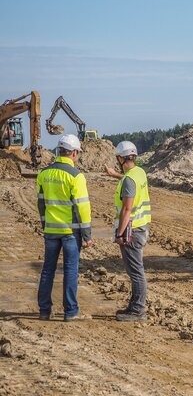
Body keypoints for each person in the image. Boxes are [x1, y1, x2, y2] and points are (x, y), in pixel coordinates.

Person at [37, 134, 93, 322]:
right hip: (70, 232)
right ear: (74, 153)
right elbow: (82, 207)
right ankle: (70, 311)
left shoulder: (44, 174)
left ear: (59, 151)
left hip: (51, 231)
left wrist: (45, 225)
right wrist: (87, 234)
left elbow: (41, 203)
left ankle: (44, 310)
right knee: (70, 270)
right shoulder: (76, 176)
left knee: (47, 270)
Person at [104, 141, 151, 322]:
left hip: (132, 231)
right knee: (136, 270)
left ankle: (138, 310)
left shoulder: (129, 180)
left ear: (121, 158)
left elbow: (126, 209)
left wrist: (119, 234)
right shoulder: (138, 173)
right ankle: (135, 306)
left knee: (136, 271)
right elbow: (128, 181)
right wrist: (115, 175)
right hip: (141, 227)